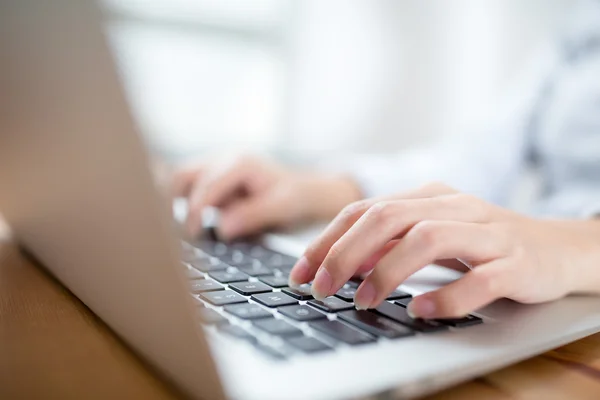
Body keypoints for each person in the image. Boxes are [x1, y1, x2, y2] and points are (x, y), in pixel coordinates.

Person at [172, 1, 600, 321]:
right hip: (537, 295)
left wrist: (583, 245)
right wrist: (317, 191)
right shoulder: (582, 21)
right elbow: (480, 160)